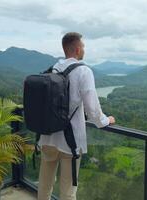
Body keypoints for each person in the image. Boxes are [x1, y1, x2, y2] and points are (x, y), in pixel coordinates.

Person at [37, 32, 116, 200]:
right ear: (78, 49)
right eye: (84, 47)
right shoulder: (83, 71)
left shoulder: (53, 69)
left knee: (44, 185)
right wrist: (106, 120)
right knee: (68, 191)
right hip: (70, 141)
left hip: (48, 136)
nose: (84, 49)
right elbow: (93, 109)